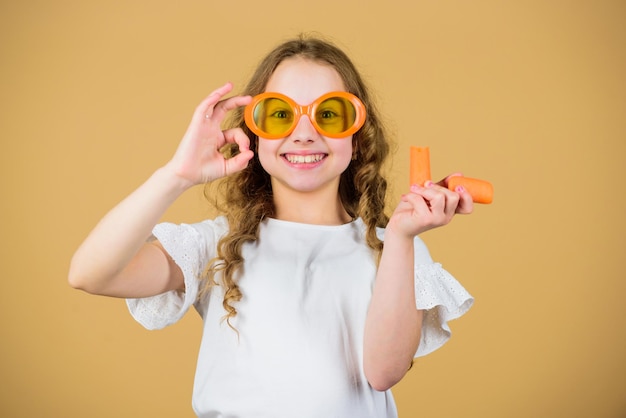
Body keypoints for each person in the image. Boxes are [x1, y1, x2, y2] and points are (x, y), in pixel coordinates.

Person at [69, 35, 474, 418]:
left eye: (329, 114)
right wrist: (177, 175)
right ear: (254, 135)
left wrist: (403, 236)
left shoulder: (394, 249)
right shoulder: (217, 245)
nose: (304, 133)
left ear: (355, 138)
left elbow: (384, 372)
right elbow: (91, 273)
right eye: (280, 115)